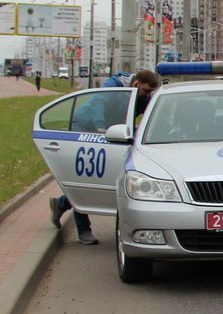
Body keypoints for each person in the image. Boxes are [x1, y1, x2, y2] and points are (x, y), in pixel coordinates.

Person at [49, 70, 160, 244]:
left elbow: (153, 115)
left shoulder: (143, 98)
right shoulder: (114, 85)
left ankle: (62, 203)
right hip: (86, 126)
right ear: (136, 84)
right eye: (146, 91)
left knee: (108, 178)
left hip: (110, 130)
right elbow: (98, 103)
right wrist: (100, 127)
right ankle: (83, 230)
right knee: (85, 176)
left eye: (151, 92)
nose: (148, 95)